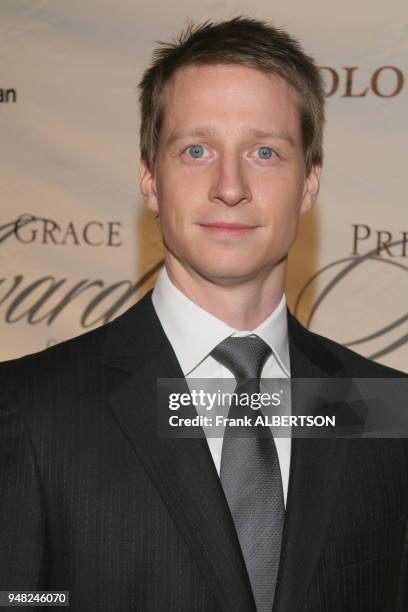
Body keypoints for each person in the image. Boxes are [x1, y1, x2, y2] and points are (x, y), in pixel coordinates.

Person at [0, 17, 407, 612]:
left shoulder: (385, 409)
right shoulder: (32, 409)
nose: (230, 185)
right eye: (196, 150)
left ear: (310, 183)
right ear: (150, 179)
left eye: (264, 152)